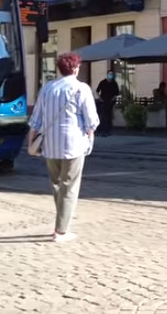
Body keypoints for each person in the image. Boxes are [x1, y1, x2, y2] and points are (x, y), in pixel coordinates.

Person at [27, 52, 99, 244]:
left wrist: (31, 142)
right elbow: (91, 121)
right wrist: (90, 138)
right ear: (75, 68)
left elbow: (35, 120)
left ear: (59, 68)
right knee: (69, 186)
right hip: (74, 145)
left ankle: (61, 222)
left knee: (57, 184)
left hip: (50, 145)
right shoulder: (81, 89)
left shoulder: (48, 88)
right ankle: (61, 230)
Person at [96, 70, 120, 137]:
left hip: (110, 102)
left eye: (111, 74)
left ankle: (107, 131)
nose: (110, 75)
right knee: (103, 116)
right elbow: (97, 90)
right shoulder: (103, 82)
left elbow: (117, 93)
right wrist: (100, 98)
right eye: (109, 74)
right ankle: (102, 131)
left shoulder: (114, 83)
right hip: (103, 101)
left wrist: (113, 98)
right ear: (107, 74)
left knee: (109, 117)